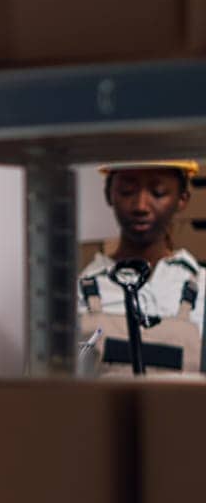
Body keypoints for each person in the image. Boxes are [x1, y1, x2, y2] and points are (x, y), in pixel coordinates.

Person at [77, 160, 204, 374]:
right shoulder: (78, 293)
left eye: (158, 192)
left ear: (182, 199)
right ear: (109, 195)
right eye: (127, 191)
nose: (140, 206)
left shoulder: (202, 288)